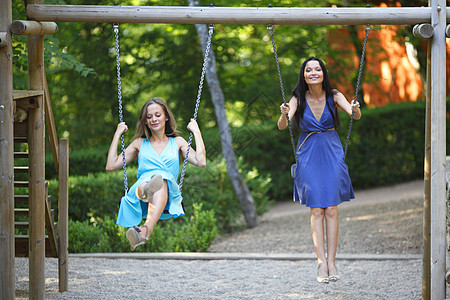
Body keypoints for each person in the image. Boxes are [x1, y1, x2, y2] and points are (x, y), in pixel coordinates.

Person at [277, 57, 361, 284]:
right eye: (308, 70)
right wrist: (284, 112)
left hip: (332, 152)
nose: (313, 73)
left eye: (317, 69)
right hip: (308, 154)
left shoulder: (334, 95)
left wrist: (354, 108)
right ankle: (321, 262)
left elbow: (354, 115)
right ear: (303, 75)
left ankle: (332, 261)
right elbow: (283, 125)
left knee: (331, 209)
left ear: (323, 73)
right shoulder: (297, 98)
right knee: (316, 210)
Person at [106, 97, 206, 251]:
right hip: (139, 192)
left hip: (167, 193)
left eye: (158, 115)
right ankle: (145, 222)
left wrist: (196, 132)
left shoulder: (178, 142)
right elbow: (111, 165)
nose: (153, 119)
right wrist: (117, 134)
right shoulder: (139, 143)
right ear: (145, 121)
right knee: (153, 180)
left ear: (166, 117)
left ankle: (145, 221)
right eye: (149, 116)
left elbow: (201, 161)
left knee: (161, 179)